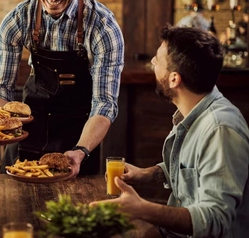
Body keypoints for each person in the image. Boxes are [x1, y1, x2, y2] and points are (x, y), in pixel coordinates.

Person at [90, 25, 249, 237]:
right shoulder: (193, 111)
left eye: (157, 59)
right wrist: (147, 174)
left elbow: (216, 219)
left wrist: (143, 209)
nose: (153, 63)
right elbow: (193, 168)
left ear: (174, 79)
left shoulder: (220, 130)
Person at [0, 0, 124, 176]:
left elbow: (105, 104)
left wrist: (80, 151)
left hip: (79, 139)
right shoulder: (18, 20)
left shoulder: (103, 26)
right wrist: (1, 126)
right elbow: (1, 88)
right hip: (28, 134)